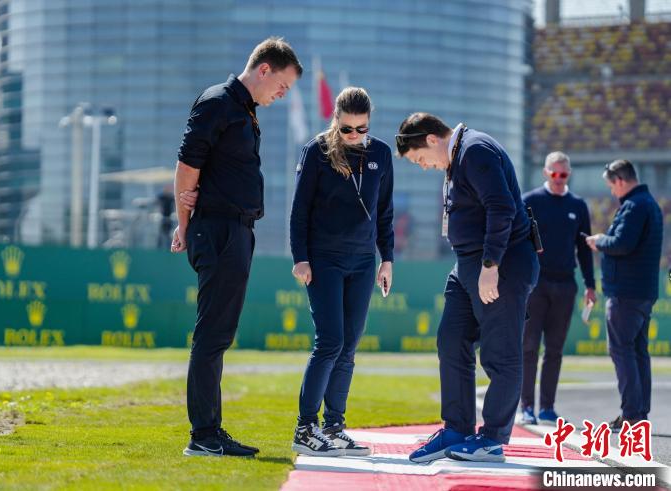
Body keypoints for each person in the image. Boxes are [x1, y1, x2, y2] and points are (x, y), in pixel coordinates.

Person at [172, 37, 302, 457]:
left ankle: (210, 431)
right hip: (220, 230)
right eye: (281, 86)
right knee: (211, 335)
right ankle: (204, 435)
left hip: (235, 230)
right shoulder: (218, 102)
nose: (282, 95)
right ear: (264, 69)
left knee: (220, 334)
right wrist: (184, 223)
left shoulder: (245, 111)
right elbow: (187, 165)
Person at [395, 113, 539, 463]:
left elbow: (501, 207)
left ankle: (491, 439)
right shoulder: (457, 159)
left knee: (500, 353)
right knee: (451, 338)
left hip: (500, 265)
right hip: (467, 266)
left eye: (419, 159)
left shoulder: (475, 150)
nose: (424, 166)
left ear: (431, 139)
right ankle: (457, 428)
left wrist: (490, 265)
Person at [290, 87, 394, 457]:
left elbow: (385, 212)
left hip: (364, 261)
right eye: (346, 129)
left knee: (349, 345)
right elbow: (299, 209)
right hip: (324, 258)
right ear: (335, 119)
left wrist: (387, 259)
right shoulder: (317, 151)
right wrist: (300, 257)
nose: (353, 136)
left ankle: (334, 426)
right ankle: (305, 428)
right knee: (330, 341)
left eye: (360, 129)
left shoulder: (381, 153)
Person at [519, 151, 596, 425]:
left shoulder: (578, 205)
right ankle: (526, 407)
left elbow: (584, 251)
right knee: (528, 347)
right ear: (545, 172)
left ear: (569, 174)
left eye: (564, 174)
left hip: (565, 285)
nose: (559, 179)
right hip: (535, 284)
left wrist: (590, 285)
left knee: (555, 350)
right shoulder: (529, 201)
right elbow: (517, 242)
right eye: (555, 173)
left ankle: (547, 408)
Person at [585, 159, 662, 431]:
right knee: (638, 352)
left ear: (619, 180)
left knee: (621, 350)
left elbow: (621, 243)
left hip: (626, 293)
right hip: (642, 291)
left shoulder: (634, 206)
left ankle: (631, 415)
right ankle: (638, 413)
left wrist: (599, 241)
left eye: (611, 185)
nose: (612, 192)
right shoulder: (648, 203)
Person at [157, 185, 175, 250]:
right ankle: (159, 247)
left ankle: (169, 248)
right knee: (161, 235)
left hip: (169, 219)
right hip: (162, 218)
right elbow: (157, 200)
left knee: (168, 234)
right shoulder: (162, 197)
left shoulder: (170, 197)